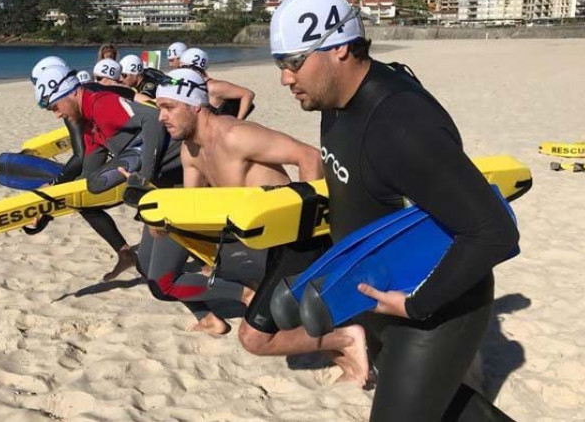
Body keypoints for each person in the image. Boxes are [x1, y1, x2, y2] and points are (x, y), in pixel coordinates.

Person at [271, 0, 517, 421]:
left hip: (435, 305)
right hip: (382, 291)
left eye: (293, 63)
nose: (285, 79)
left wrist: (417, 304)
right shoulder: (336, 101)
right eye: (280, 65)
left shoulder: (399, 123)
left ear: (340, 49)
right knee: (439, 405)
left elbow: (495, 231)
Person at [147, 68, 369, 383]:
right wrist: (166, 224)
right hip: (261, 244)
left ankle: (348, 339)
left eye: (168, 107)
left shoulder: (235, 135)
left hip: (294, 238)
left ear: (195, 104)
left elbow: (309, 157)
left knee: (255, 338)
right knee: (285, 314)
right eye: (159, 109)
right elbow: (192, 205)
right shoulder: (190, 151)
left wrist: (311, 226)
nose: (161, 118)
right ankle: (354, 364)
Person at [35, 64, 182, 281]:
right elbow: (87, 175)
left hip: (170, 158)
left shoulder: (100, 104)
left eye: (55, 106)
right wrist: (48, 207)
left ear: (73, 92)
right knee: (86, 193)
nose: (57, 115)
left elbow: (153, 119)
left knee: (163, 274)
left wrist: (145, 178)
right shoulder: (87, 123)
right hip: (145, 166)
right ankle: (125, 253)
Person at [179, 47, 256, 120]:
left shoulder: (212, 87)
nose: (180, 71)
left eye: (181, 68)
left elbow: (248, 94)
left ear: (190, 67)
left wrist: (238, 121)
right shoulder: (194, 86)